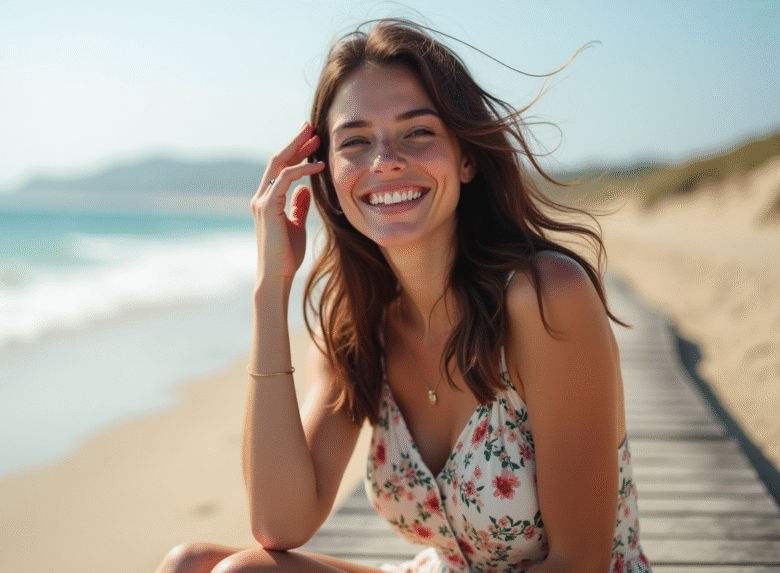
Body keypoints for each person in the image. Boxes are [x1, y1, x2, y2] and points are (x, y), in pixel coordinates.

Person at [156, 18, 651, 573]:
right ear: (332, 183)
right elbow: (280, 523)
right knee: (194, 565)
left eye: (418, 132)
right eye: (355, 142)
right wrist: (271, 288)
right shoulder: (360, 325)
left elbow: (577, 564)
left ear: (466, 158)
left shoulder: (544, 298)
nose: (384, 160)